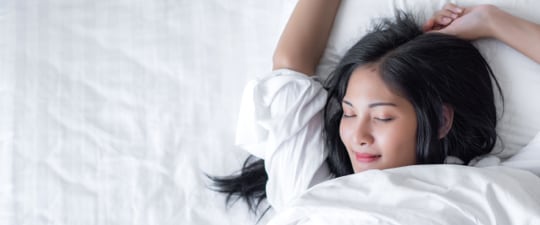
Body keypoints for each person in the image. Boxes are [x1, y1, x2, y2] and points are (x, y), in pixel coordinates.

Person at [209, 0, 540, 218]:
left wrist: (492, 22)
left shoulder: (494, 185)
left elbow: (291, 65)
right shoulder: (312, 191)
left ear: (440, 120)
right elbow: (290, 66)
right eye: (349, 113)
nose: (358, 136)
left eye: (382, 117)